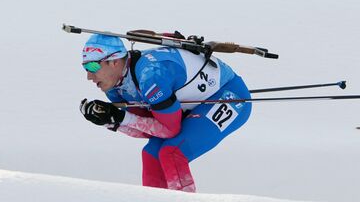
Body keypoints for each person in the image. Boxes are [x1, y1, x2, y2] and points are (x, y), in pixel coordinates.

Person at [79, 33, 252, 192]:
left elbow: (169, 130)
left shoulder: (151, 76)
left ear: (115, 61)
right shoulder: (114, 88)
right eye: (85, 67)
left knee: (172, 152)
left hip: (229, 96)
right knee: (151, 155)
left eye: (93, 66)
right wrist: (113, 121)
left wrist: (121, 118)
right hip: (190, 107)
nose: (88, 76)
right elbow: (150, 128)